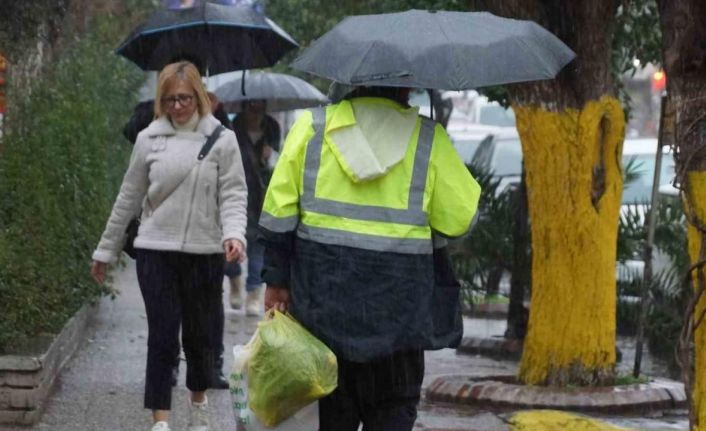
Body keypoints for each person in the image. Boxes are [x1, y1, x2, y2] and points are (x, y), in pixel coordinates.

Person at [258, 84, 481, 431]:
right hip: (399, 324)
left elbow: (277, 214)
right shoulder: (427, 138)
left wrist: (276, 280)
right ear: (406, 86)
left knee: (330, 417)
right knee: (392, 413)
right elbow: (460, 219)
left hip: (323, 316)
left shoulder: (312, 128)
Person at [91, 61, 247, 431]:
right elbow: (127, 199)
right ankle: (160, 420)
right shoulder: (149, 139)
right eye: (170, 99)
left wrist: (235, 234)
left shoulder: (222, 140)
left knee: (200, 337)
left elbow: (234, 194)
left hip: (205, 253)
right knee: (162, 336)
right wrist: (105, 251)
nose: (178, 106)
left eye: (185, 98)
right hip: (155, 252)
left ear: (200, 98)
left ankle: (198, 401)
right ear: (161, 101)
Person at [227, 99, 281, 315]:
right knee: (231, 245)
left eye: (260, 109)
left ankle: (253, 294)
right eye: (252, 108)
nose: (256, 114)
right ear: (244, 107)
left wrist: (270, 157)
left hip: (262, 196)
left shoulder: (272, 128)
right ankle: (234, 281)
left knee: (258, 247)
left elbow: (279, 163)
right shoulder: (233, 128)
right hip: (236, 192)